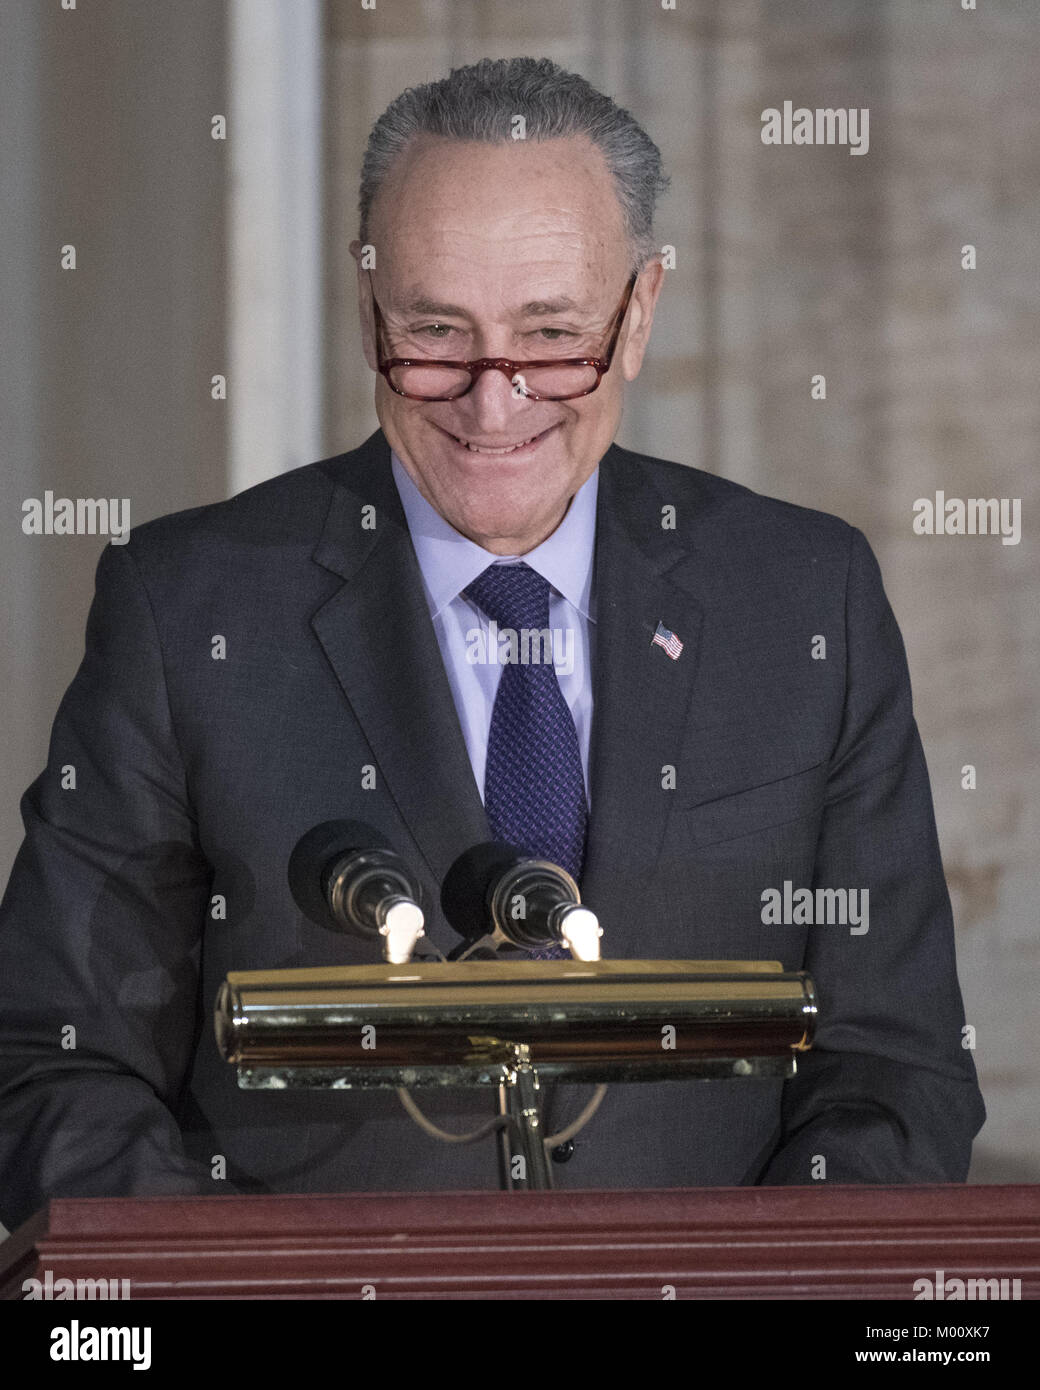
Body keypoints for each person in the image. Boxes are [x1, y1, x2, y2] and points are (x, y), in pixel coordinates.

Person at [0, 57, 984, 1234]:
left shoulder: (803, 598)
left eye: (551, 334)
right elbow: (54, 1060)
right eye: (433, 334)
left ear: (641, 312)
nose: (492, 401)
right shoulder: (186, 607)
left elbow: (891, 1065)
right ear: (368, 310)